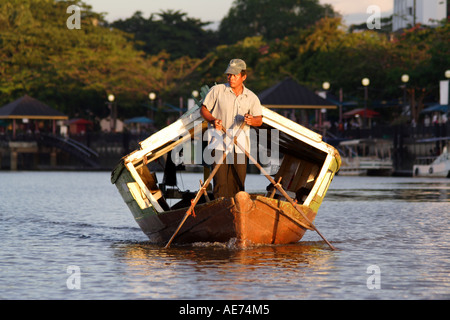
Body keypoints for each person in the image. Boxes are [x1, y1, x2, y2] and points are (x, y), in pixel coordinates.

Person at [200, 58, 263, 199]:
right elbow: (204, 109)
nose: (231, 78)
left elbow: (259, 120)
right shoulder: (217, 91)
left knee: (238, 184)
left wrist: (251, 120)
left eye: (234, 75)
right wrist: (212, 119)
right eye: (229, 75)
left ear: (243, 76)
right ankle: (221, 210)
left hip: (239, 146)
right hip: (218, 144)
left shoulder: (251, 97)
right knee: (220, 183)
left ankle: (237, 209)